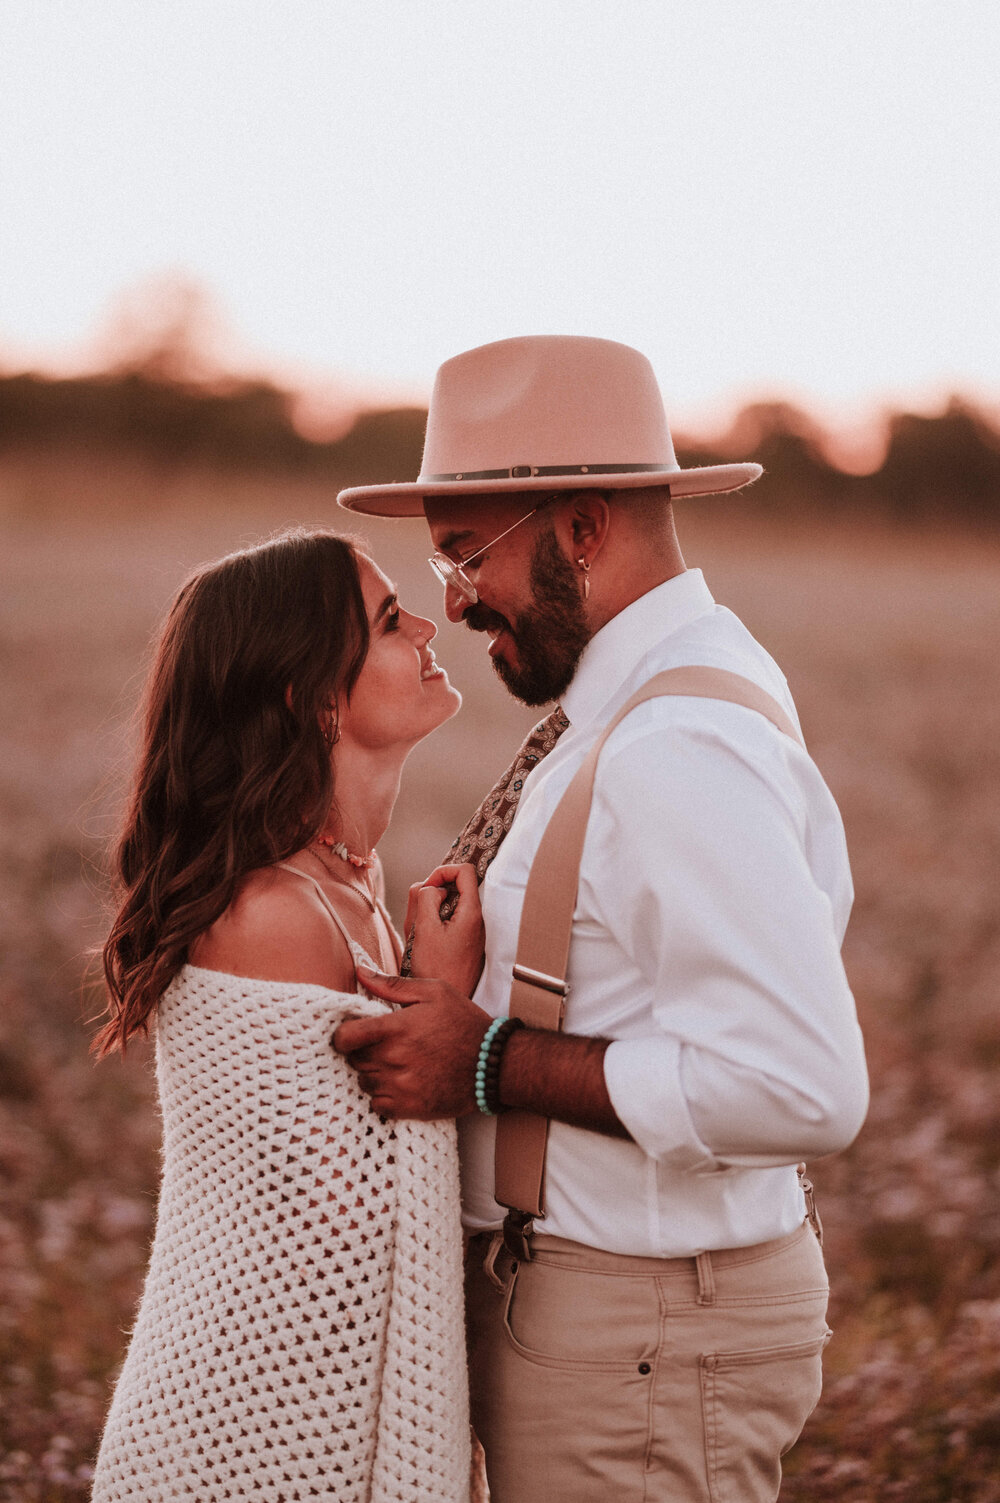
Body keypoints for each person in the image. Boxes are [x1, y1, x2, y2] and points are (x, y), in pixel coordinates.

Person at [333, 336, 870, 1502]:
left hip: (647, 1328)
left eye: (464, 556)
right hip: (629, 1319)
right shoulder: (645, 705)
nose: (455, 602)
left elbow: (800, 1086)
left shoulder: (675, 744)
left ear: (581, 528)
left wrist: (484, 1061)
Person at [90, 529, 484, 1503]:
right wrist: (449, 1012)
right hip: (241, 1433)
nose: (431, 625)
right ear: (310, 699)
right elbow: (334, 1228)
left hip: (287, 1408)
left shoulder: (348, 889)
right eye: (391, 620)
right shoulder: (272, 917)